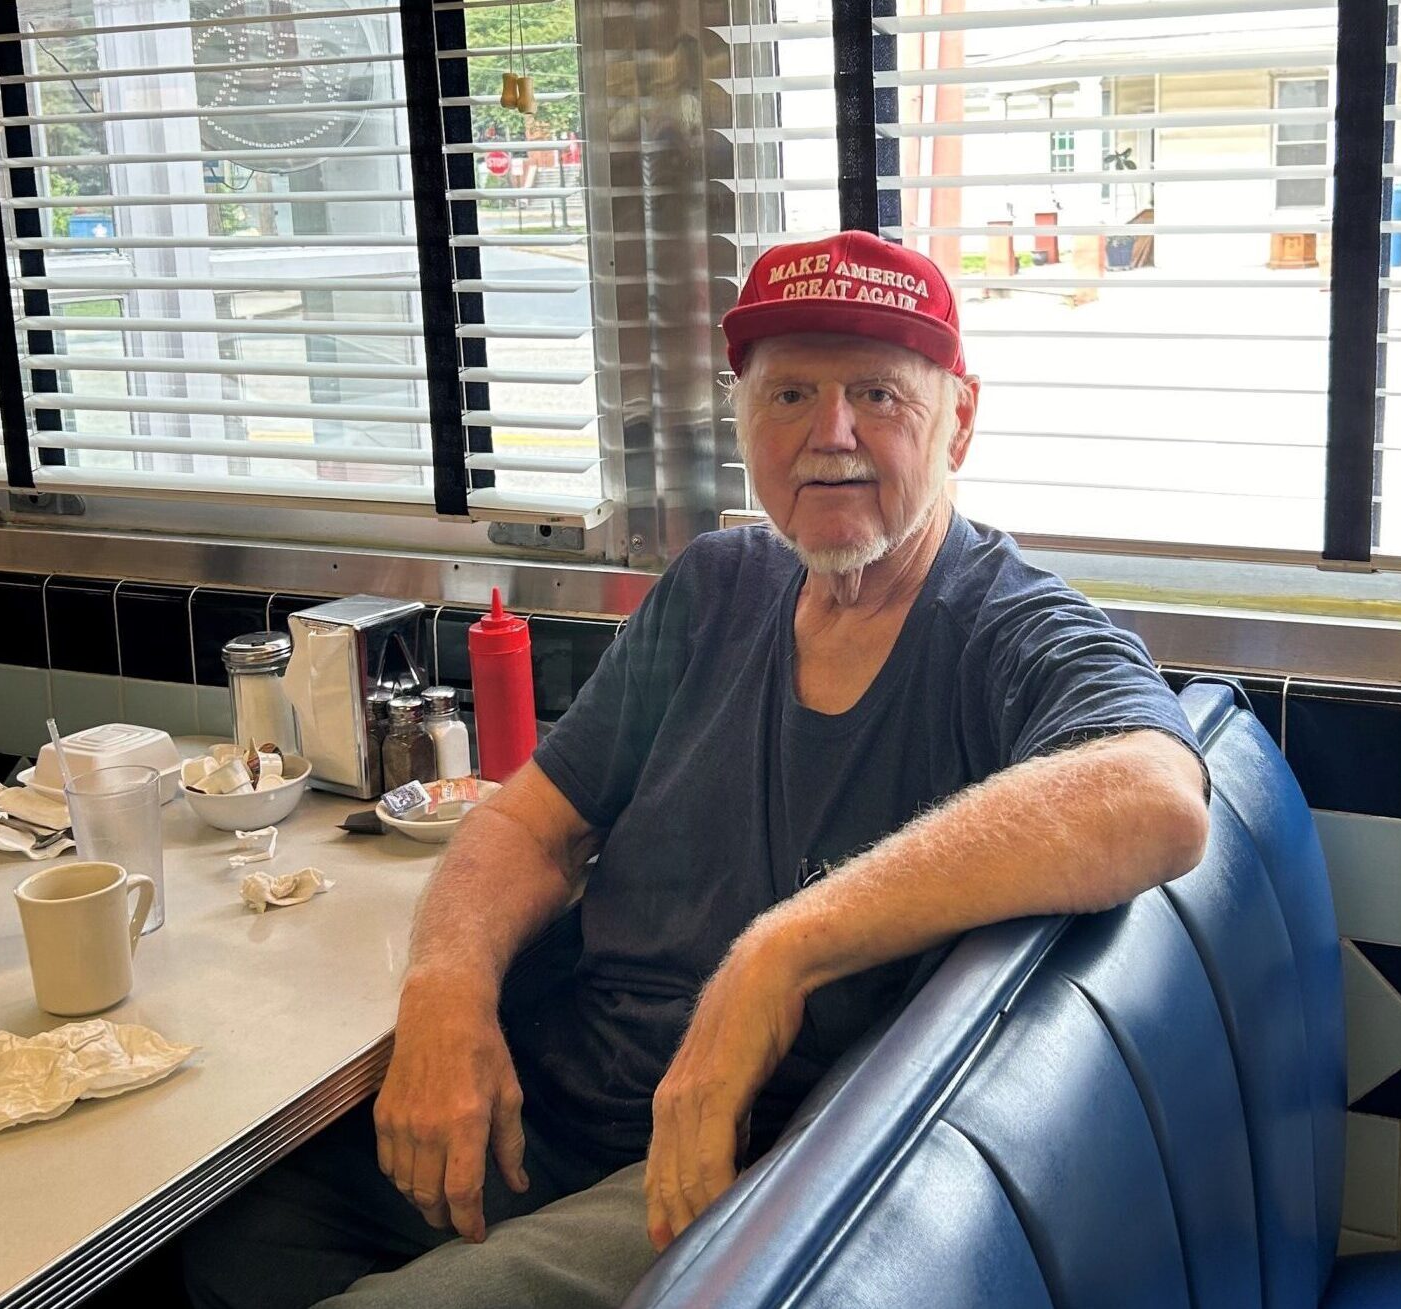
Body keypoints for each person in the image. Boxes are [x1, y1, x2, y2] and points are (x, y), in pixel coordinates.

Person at [183, 230, 1210, 1309]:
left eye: (878, 393)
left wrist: (781, 952)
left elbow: (1150, 795)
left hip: (738, 1164)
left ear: (960, 415)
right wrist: (446, 992)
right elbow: (527, 826)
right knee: (227, 1241)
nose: (832, 436)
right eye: (789, 396)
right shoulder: (716, 585)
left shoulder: (1005, 627)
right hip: (557, 1095)